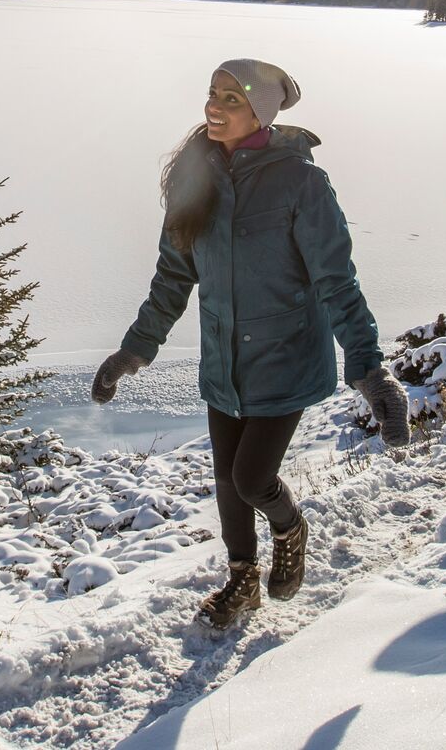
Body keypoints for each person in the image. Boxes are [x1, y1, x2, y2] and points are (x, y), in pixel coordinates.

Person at [90, 58, 410, 628]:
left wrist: (368, 369)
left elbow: (336, 281)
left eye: (230, 99)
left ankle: (290, 528)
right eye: (211, 94)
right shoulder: (196, 178)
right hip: (223, 360)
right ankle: (242, 580)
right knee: (226, 483)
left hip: (284, 358)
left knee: (250, 477)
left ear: (260, 110)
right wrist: (135, 349)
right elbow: (173, 276)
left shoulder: (302, 183)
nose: (213, 107)